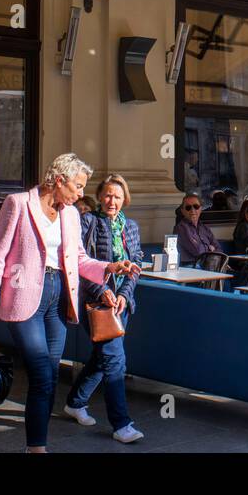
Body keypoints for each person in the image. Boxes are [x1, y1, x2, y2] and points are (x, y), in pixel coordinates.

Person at [0, 154, 140, 452]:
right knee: (41, 372)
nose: (81, 194)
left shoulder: (71, 214)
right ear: (59, 180)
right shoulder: (18, 204)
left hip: (58, 299)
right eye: (77, 186)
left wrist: (109, 268)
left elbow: (78, 260)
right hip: (25, 298)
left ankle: (36, 442)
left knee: (49, 376)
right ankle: (36, 447)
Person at [63, 175, 145, 444]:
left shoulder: (130, 226)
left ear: (125, 200)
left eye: (117, 197)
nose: (112, 201)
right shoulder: (88, 222)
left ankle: (75, 402)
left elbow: (136, 265)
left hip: (122, 305)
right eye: (108, 195)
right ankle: (121, 424)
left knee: (102, 358)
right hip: (96, 303)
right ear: (100, 196)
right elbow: (80, 263)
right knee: (115, 361)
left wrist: (123, 294)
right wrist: (103, 290)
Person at [174, 193, 220, 264]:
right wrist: (209, 247)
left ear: (201, 209)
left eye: (196, 206)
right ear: (183, 211)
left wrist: (205, 248)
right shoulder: (181, 228)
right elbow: (197, 251)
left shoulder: (204, 228)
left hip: (208, 265)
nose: (192, 210)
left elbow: (218, 249)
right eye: (188, 207)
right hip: (190, 268)